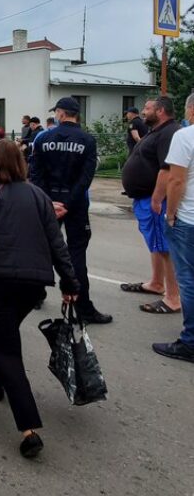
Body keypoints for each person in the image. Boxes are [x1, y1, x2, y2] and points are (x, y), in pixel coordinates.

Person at [0, 139, 80, 458]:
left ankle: (28, 428)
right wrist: (69, 281)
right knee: (5, 334)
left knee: (8, 349)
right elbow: (57, 243)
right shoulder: (38, 195)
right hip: (33, 287)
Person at [30, 96, 112, 324]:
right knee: (77, 255)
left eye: (56, 112)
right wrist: (68, 203)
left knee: (43, 249)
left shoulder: (43, 138)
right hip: (75, 205)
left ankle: (36, 295)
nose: (55, 115)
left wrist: (49, 202)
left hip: (49, 203)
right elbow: (85, 178)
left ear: (62, 113)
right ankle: (82, 307)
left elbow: (35, 174)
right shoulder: (87, 140)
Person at [120, 97, 181, 314]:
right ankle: (156, 283)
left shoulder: (169, 133)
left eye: (147, 108)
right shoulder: (157, 130)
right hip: (145, 199)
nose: (143, 112)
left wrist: (157, 198)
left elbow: (167, 170)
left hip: (155, 200)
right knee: (156, 244)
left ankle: (173, 298)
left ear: (161, 111)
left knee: (164, 248)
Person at [154, 92, 194, 363]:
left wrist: (170, 215)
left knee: (188, 280)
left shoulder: (185, 136)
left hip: (188, 218)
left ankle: (190, 341)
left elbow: (176, 181)